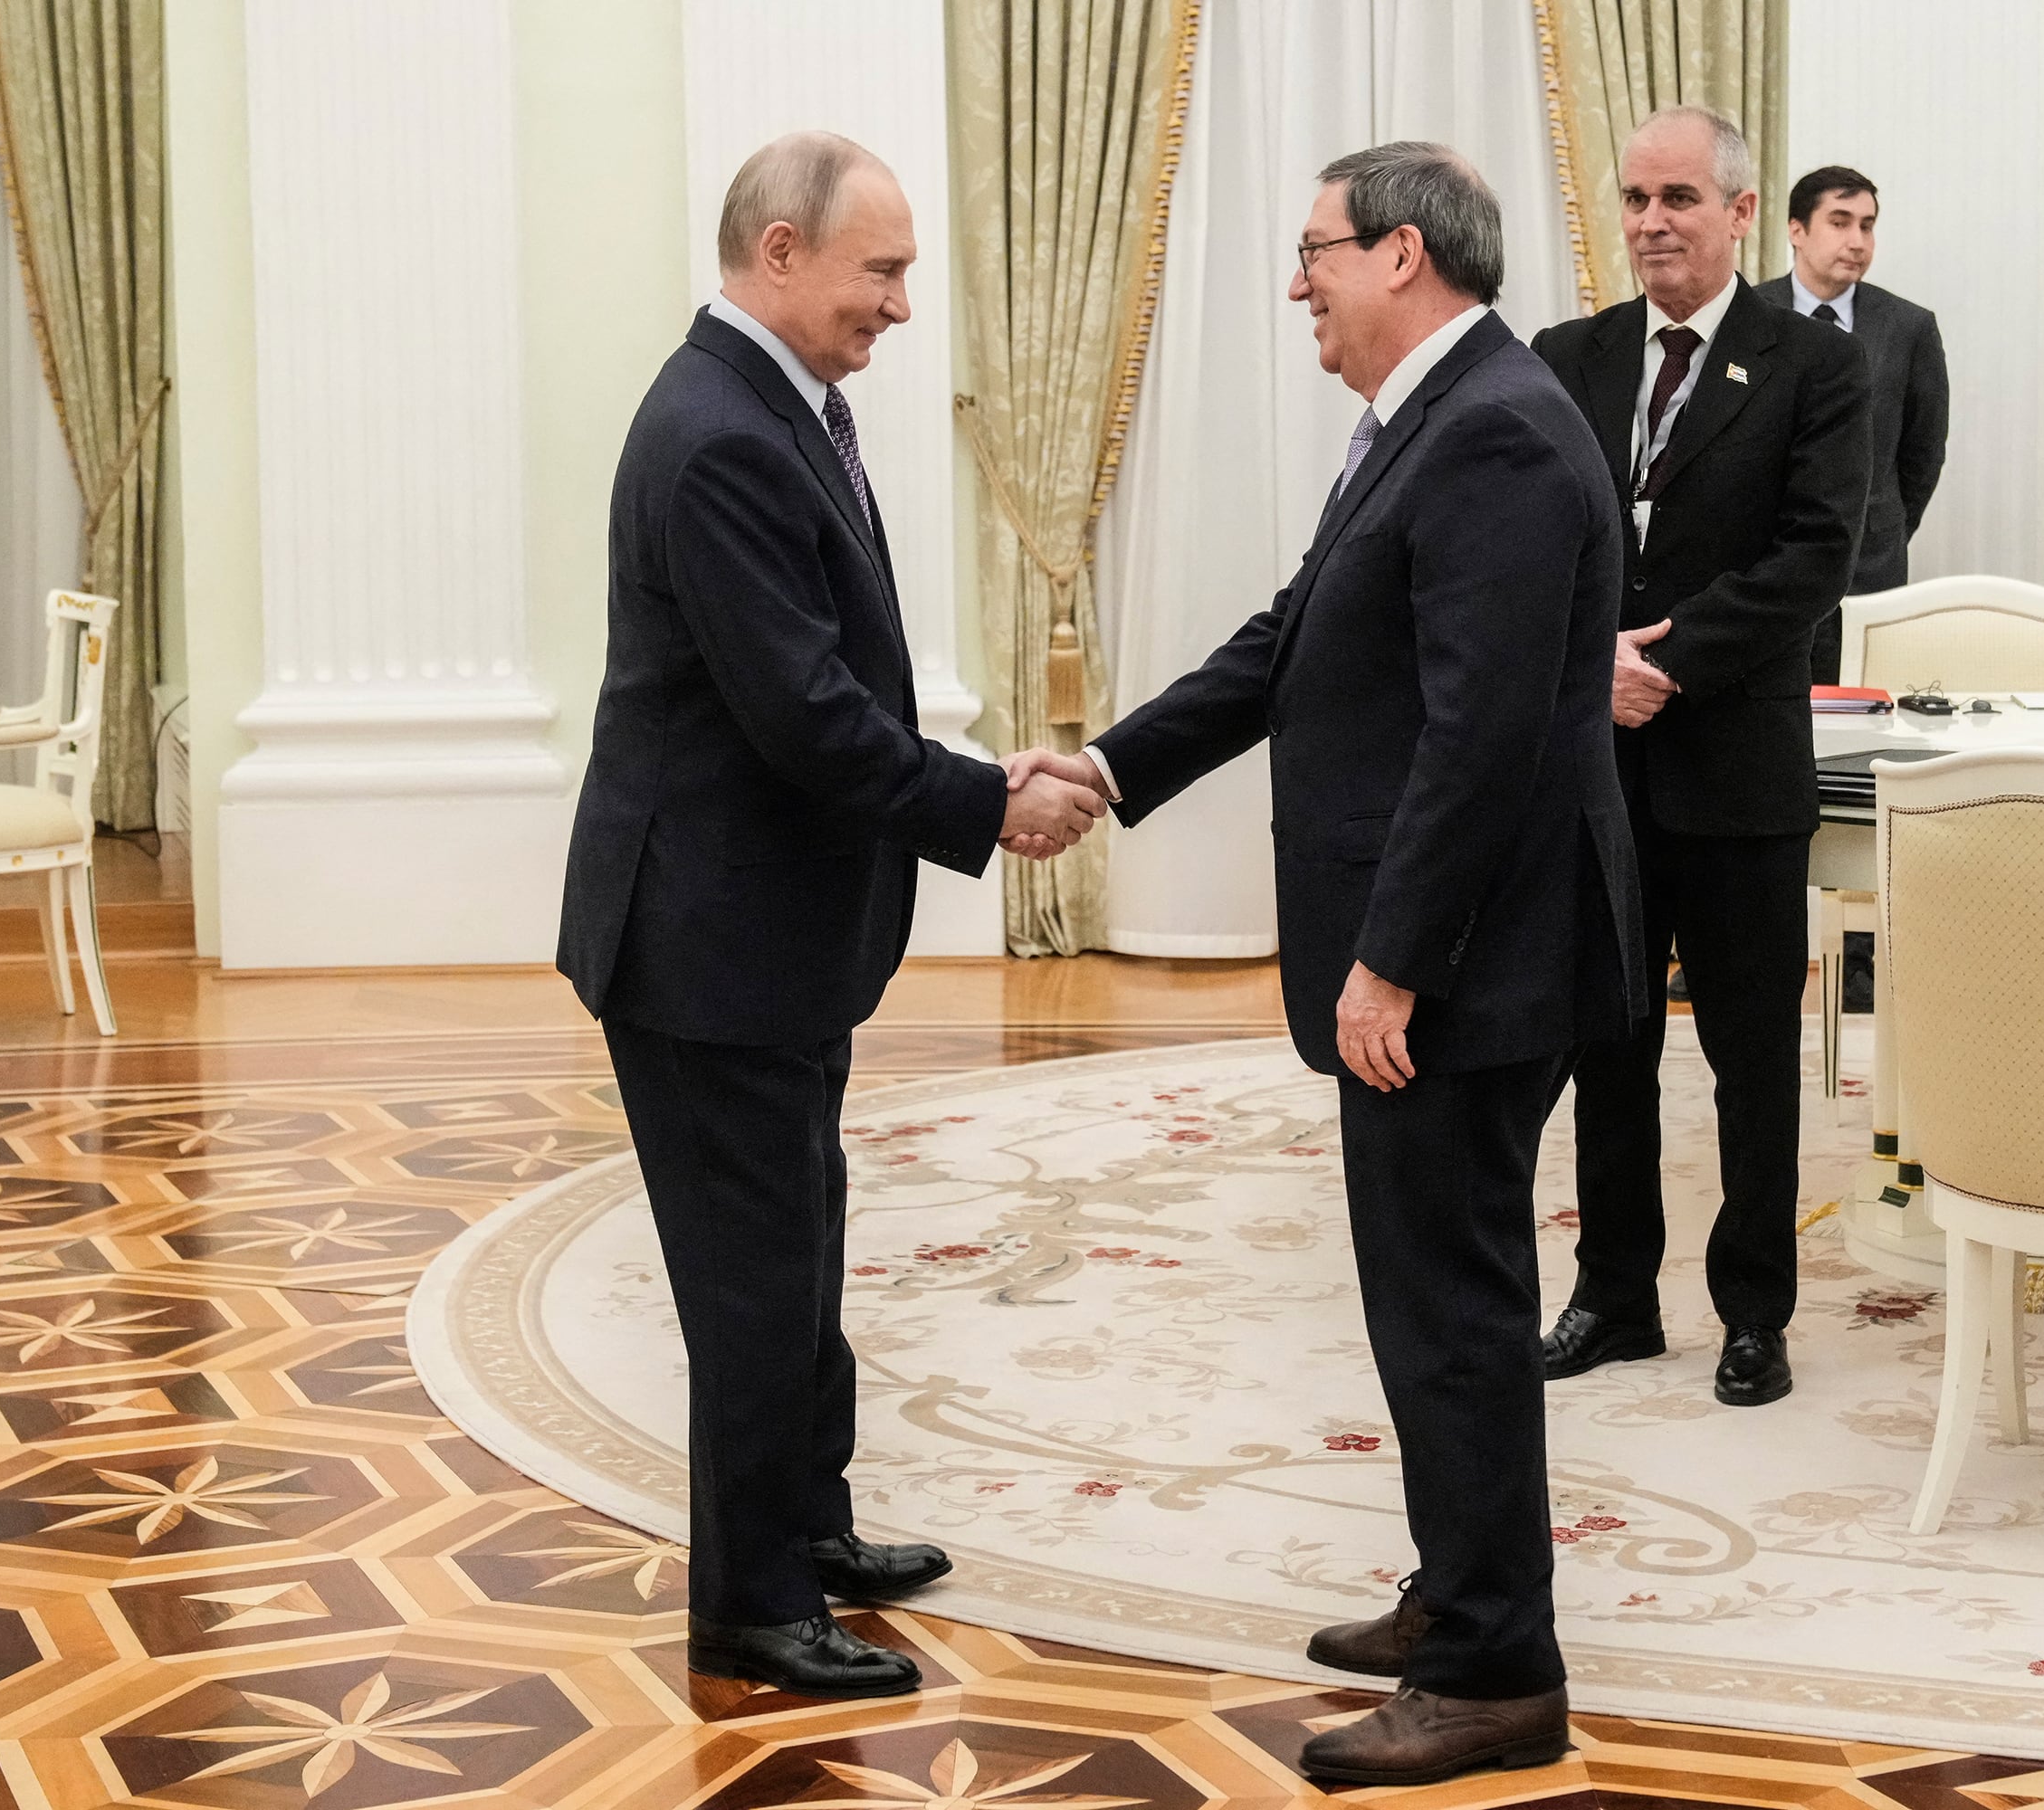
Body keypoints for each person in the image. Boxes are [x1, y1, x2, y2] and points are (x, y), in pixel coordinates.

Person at [1012, 142, 1636, 1787]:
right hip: (1471, 947)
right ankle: (1457, 1593)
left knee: (1453, 1311)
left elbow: (1482, 739)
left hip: (1473, 961)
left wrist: (1394, 964)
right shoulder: (1434, 419)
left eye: (1316, 254)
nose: (1300, 284)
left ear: (1404, 256)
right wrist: (1108, 769)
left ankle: (1500, 1675)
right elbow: (1293, 643)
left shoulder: (1491, 430)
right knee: (1428, 1294)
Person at [557, 131, 1107, 1699]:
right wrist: (984, 800)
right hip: (706, 939)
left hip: (761, 933)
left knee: (799, 1242)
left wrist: (962, 772)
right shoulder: (723, 433)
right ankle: (748, 1604)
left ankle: (808, 1521)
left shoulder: (783, 407)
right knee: (752, 1273)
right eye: (884, 270)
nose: (901, 305)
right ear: (780, 252)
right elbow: (800, 712)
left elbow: (818, 687)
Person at [1529, 108, 1872, 1409]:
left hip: (1734, 766)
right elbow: (1535, 537)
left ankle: (1753, 1314)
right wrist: (1587, 665)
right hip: (1597, 774)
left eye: (1678, 196)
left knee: (1747, 1057)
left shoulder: (1813, 366)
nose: (1653, 221)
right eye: (1633, 198)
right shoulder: (1570, 358)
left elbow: (1815, 555)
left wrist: (1663, 663)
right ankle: (1614, 1298)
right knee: (1605, 1046)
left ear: (1739, 213)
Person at [1786, 162, 1947, 1013]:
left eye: (1869, 224)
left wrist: (1883, 533)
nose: (1858, 240)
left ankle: (1856, 958)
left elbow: (1922, 453)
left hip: (1867, 578)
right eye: (1842, 222)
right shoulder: (1756, 316)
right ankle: (1741, 941)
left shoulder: (1906, 327)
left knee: (1859, 764)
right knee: (1767, 753)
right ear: (1797, 230)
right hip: (1767, 578)